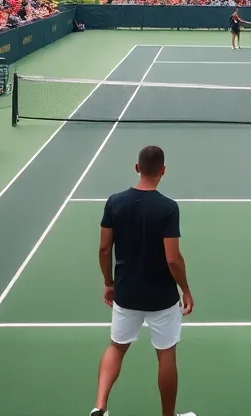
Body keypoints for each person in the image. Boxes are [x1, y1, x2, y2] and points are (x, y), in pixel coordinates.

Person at [92, 146, 195, 416]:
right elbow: (172, 259)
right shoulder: (168, 208)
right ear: (163, 170)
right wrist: (185, 289)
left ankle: (100, 407)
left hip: (126, 294)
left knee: (116, 347)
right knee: (166, 354)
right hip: (162, 298)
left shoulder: (114, 202)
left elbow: (104, 249)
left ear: (137, 168)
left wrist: (108, 282)